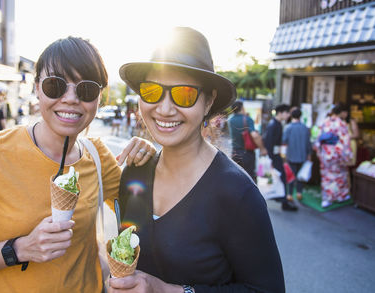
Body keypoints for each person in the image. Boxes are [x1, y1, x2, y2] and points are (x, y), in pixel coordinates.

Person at [0, 36, 156, 292]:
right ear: (37, 87)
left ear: (99, 98)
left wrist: (148, 157)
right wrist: (19, 249)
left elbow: (148, 208)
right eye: (55, 85)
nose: (71, 98)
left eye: (86, 89)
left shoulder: (98, 156)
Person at [113, 27, 284, 293]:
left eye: (184, 94)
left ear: (208, 101)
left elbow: (266, 289)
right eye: (151, 91)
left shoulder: (237, 193)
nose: (165, 108)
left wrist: (170, 291)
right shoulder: (134, 175)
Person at [315, 104, 353, 208]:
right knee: (340, 175)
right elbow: (345, 140)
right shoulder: (341, 123)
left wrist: (318, 150)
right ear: (341, 112)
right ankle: (341, 196)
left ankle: (326, 199)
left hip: (325, 152)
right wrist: (347, 155)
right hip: (337, 153)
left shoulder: (324, 122)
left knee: (326, 176)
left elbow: (318, 137)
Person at [263, 104, 298, 211]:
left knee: (281, 177)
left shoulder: (276, 123)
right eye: (287, 113)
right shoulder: (274, 124)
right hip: (274, 156)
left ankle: (283, 200)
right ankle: (283, 202)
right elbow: (268, 142)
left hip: (275, 156)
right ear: (280, 113)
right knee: (281, 177)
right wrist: (272, 158)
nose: (288, 115)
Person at [228, 101, 267, 181]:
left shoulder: (230, 119)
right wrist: (262, 149)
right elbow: (255, 135)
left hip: (235, 152)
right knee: (250, 178)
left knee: (237, 177)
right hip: (247, 153)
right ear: (242, 108)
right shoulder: (247, 119)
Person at [282, 108, 311, 201]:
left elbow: (283, 141)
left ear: (291, 116)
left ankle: (289, 194)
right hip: (303, 155)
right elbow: (308, 143)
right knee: (300, 176)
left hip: (291, 155)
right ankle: (299, 193)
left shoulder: (288, 127)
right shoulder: (305, 128)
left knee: (291, 175)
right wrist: (309, 154)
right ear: (300, 116)